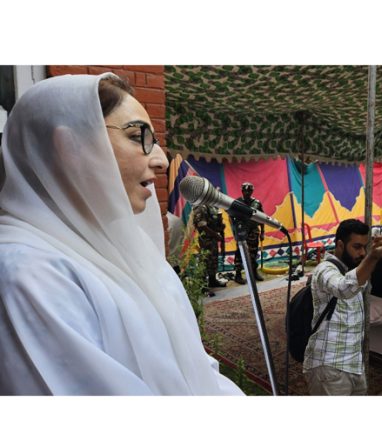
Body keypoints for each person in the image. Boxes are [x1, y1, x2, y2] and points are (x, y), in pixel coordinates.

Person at [0, 74, 243, 395]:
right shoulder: (26, 273)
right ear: (69, 146)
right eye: (137, 136)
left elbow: (192, 364)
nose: (160, 160)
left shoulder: (129, 248)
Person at [303, 219, 382, 395]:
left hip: (353, 364)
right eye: (357, 247)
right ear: (340, 245)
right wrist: (371, 257)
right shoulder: (324, 269)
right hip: (329, 365)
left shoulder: (355, 269)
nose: (362, 253)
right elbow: (343, 288)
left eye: (365, 247)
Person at [232, 182, 265, 284]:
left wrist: (263, 232)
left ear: (252, 191)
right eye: (245, 190)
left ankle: (254, 273)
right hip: (242, 232)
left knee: (253, 253)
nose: (247, 192)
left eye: (249, 190)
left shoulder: (257, 203)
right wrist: (235, 230)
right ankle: (238, 275)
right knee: (239, 253)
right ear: (242, 191)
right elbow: (232, 217)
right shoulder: (237, 202)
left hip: (254, 231)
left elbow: (262, 218)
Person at [193, 203, 226, 288]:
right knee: (205, 262)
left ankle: (212, 281)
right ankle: (203, 286)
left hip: (213, 239)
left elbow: (213, 224)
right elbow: (202, 225)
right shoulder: (200, 207)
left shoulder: (213, 206)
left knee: (213, 261)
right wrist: (216, 235)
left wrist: (220, 227)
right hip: (205, 240)